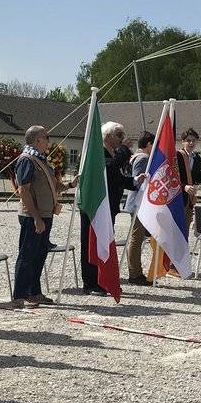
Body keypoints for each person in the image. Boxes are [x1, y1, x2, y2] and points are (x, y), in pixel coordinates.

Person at [10, 125, 60, 308]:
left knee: (39, 255)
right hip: (32, 216)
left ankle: (34, 292)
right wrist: (36, 218)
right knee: (27, 255)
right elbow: (24, 191)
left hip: (45, 214)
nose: (48, 141)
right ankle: (20, 295)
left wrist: (71, 184)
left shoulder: (41, 160)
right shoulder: (27, 160)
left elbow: (52, 186)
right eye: (46, 137)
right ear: (37, 140)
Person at [80, 121, 132, 295]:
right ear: (108, 136)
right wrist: (124, 150)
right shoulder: (99, 151)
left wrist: (134, 182)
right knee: (92, 243)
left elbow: (116, 177)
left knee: (104, 242)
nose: (122, 138)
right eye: (119, 135)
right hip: (95, 205)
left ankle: (103, 279)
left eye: (123, 135)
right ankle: (91, 282)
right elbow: (109, 167)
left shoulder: (114, 153)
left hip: (109, 206)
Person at [125, 132, 155, 285]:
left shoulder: (139, 157)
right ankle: (135, 273)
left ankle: (136, 271)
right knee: (137, 238)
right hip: (138, 203)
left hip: (139, 203)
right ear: (149, 144)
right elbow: (137, 180)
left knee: (138, 237)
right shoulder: (142, 158)